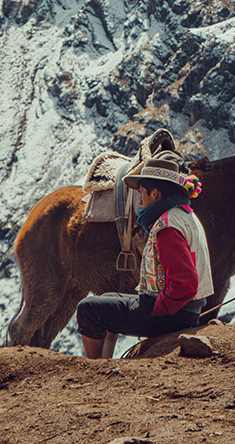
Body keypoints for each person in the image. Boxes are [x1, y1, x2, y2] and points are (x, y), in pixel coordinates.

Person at [76, 154, 214, 359]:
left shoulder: (167, 227)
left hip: (172, 315)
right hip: (185, 310)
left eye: (141, 194)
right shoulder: (183, 215)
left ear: (155, 193)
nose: (139, 201)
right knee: (106, 299)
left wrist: (158, 309)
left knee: (88, 308)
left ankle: (93, 369)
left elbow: (185, 283)